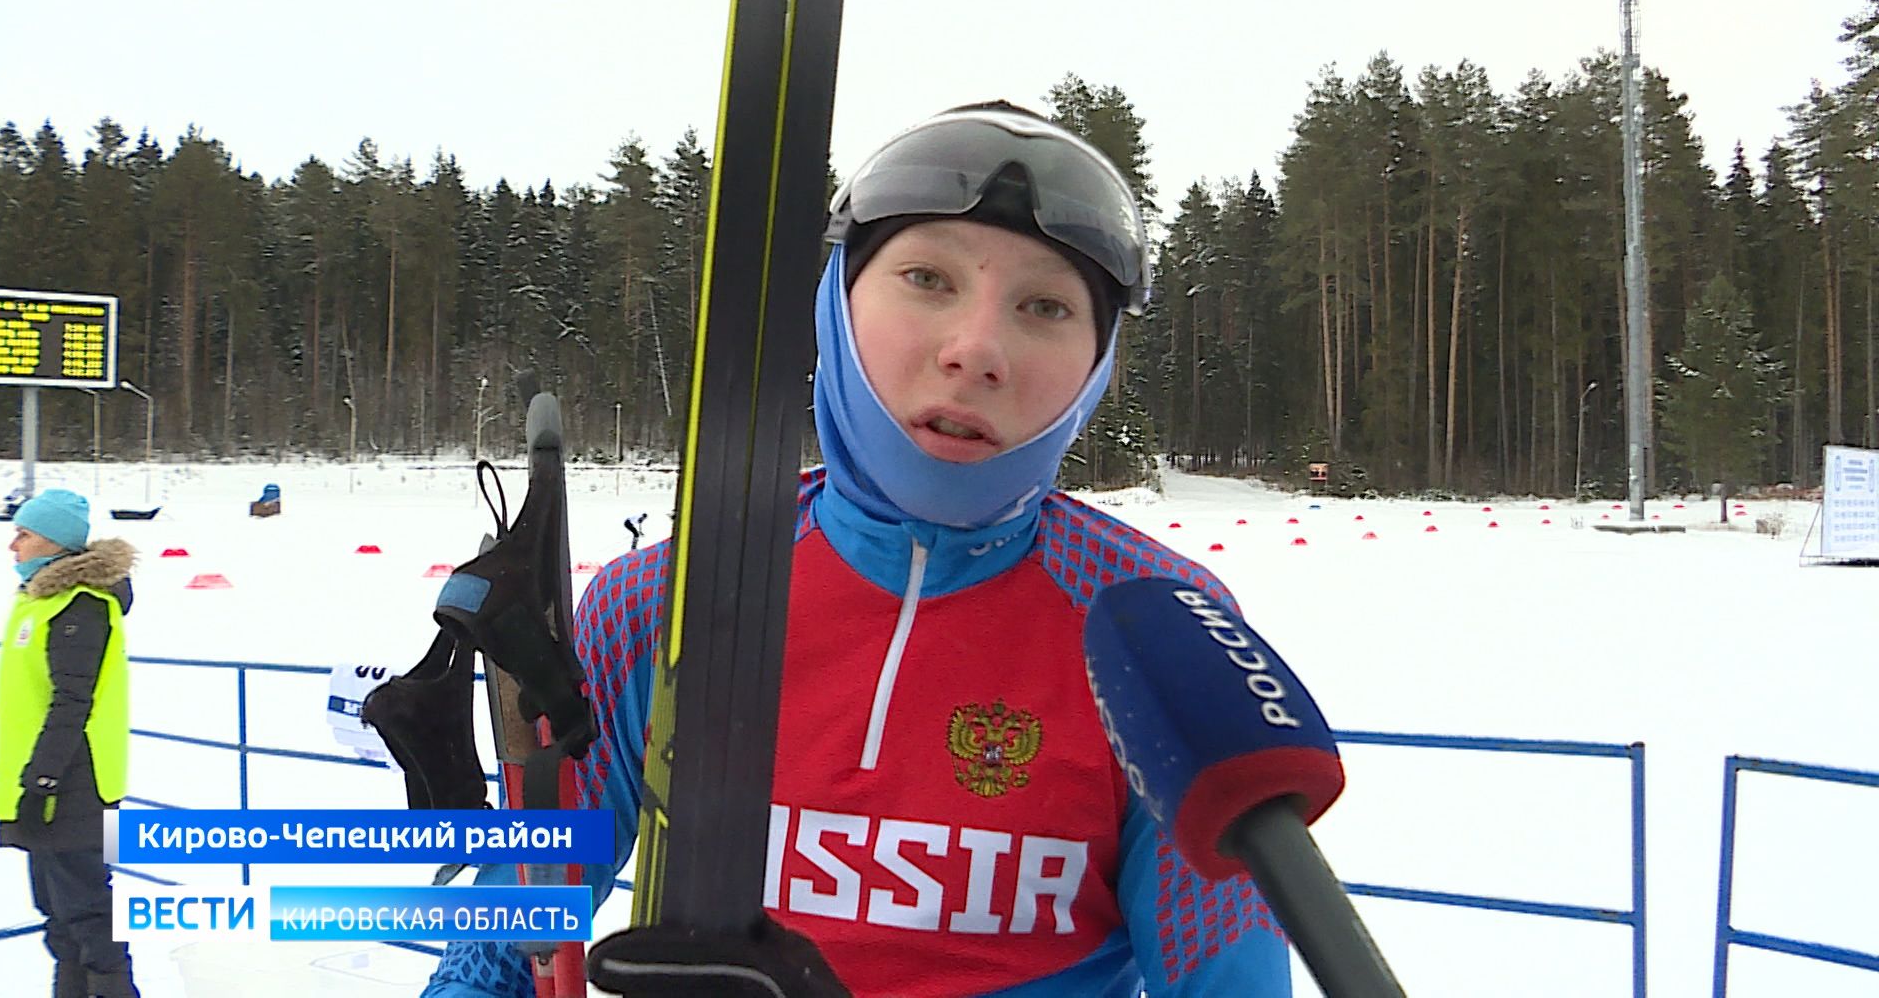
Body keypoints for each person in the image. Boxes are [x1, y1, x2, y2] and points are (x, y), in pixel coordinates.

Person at [424, 103, 1291, 996]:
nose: (976, 349)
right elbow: (509, 926)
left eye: (1045, 306)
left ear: (1098, 361)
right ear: (838, 304)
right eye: (927, 278)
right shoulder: (663, 603)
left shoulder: (1154, 629)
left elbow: (1230, 974)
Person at [0, 488, 139, 998]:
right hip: (42, 779)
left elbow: (72, 702)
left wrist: (42, 782)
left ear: (54, 543)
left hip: (74, 781)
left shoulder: (82, 607)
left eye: (25, 534)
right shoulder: (43, 600)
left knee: (86, 911)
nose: (13, 545)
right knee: (57, 913)